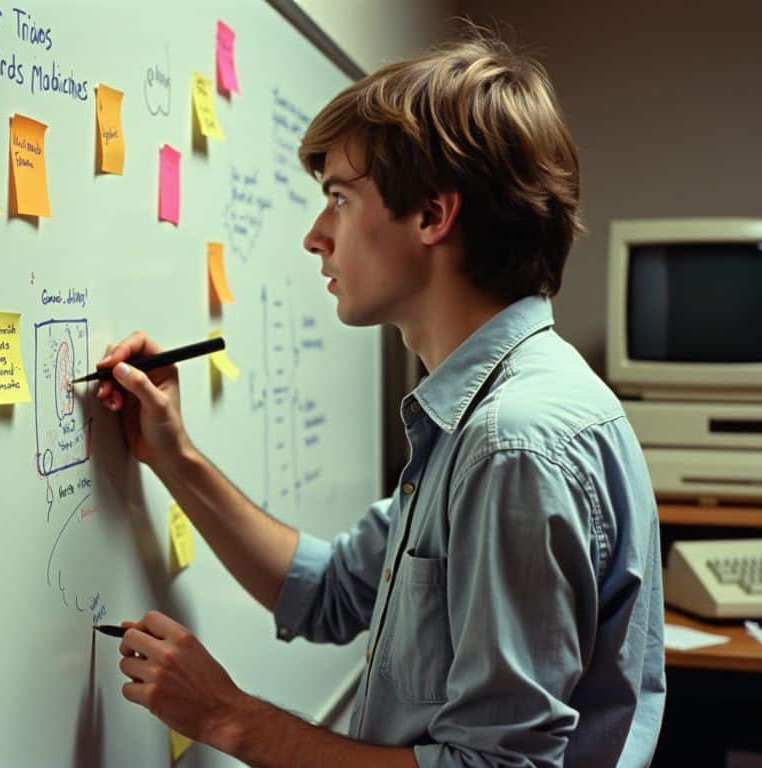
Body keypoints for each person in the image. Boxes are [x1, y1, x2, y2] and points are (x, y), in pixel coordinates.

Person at [94, 24, 665, 768]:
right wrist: (173, 455)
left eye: (338, 198)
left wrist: (231, 718)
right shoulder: (478, 418)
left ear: (432, 214)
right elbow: (329, 591)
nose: (314, 235)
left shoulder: (512, 442)